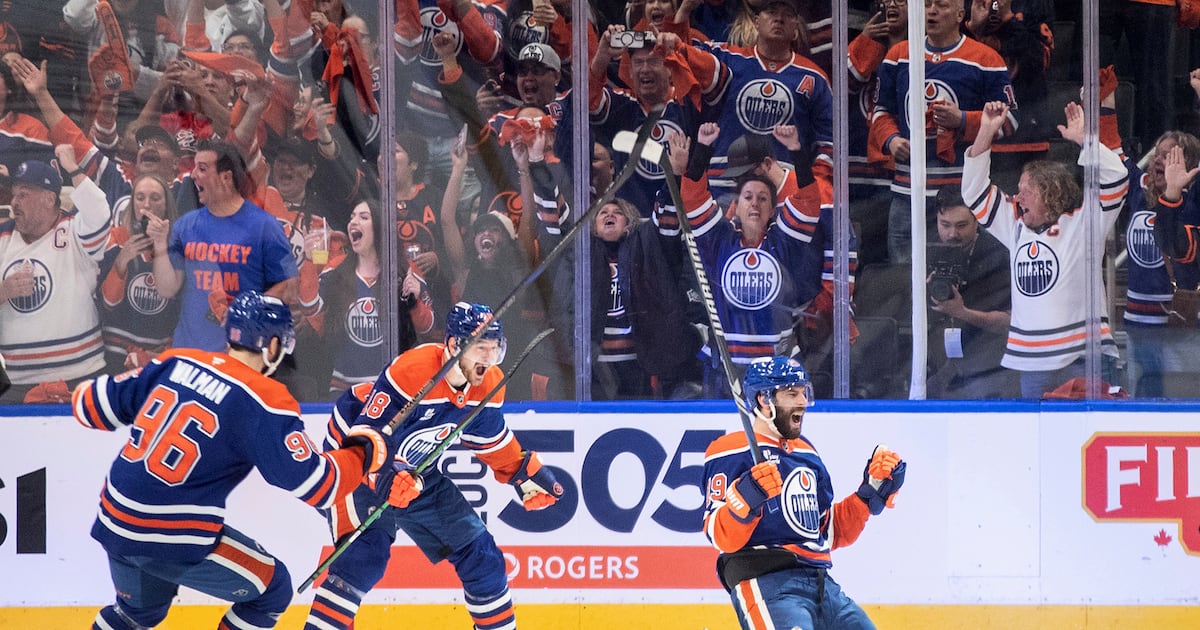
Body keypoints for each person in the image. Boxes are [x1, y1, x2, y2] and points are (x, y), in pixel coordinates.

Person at [70, 290, 391, 630]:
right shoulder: (264, 398)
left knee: (137, 613)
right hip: (174, 536)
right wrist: (364, 451)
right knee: (272, 591)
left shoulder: (177, 360)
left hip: (114, 518)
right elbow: (318, 486)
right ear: (270, 346)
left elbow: (89, 407)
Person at [306, 302, 565, 630]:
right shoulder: (412, 372)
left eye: (493, 348)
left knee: (483, 558)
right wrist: (387, 479)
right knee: (364, 558)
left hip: (416, 470)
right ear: (455, 345)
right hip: (356, 461)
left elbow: (492, 440)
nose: (488, 357)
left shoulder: (487, 383)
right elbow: (366, 438)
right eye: (480, 347)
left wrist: (523, 473)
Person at [701, 356, 905, 629]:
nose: (802, 402)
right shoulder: (731, 449)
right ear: (763, 399)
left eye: (803, 393)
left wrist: (868, 495)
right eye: (791, 393)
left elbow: (828, 532)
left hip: (822, 585)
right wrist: (745, 499)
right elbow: (718, 534)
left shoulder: (806, 453)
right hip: (768, 584)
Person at [963, 100, 1128, 398]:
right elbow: (974, 192)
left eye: (1026, 189)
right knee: (1041, 442)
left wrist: (1083, 140)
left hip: (1083, 358)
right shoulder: (1014, 226)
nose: (1017, 195)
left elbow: (1116, 178)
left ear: (1051, 193)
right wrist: (986, 131)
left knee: (1082, 439)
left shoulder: (1084, 225)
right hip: (1031, 363)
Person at [870, 0, 1015, 263]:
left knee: (959, 280)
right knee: (905, 282)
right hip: (907, 192)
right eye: (926, 5)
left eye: (942, 5)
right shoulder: (898, 55)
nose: (932, 11)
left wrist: (961, 120)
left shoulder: (986, 59)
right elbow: (880, 110)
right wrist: (890, 139)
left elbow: (1010, 121)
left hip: (961, 195)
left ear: (961, 14)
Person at [151, 139, 298, 352]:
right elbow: (167, 289)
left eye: (202, 168)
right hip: (190, 353)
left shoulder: (265, 227)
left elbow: (290, 285)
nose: (193, 175)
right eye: (194, 168)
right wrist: (159, 245)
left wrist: (248, 312)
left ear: (226, 177)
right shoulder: (185, 226)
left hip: (241, 354)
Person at [0, 151, 110, 403]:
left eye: (24, 195)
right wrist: (3, 291)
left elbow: (99, 211)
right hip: (16, 383)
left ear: (49, 199)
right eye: (14, 194)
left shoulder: (75, 231)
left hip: (80, 373)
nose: (14, 202)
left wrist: (72, 167)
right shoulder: (2, 237)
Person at [925, 185, 1016, 399]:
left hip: (989, 361)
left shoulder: (999, 255)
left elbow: (1008, 323)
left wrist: (962, 312)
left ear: (977, 222)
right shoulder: (924, 253)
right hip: (939, 361)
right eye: (945, 225)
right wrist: (921, 294)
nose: (952, 234)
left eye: (961, 225)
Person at [97, 173, 183, 373]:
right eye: (140, 197)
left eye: (155, 198)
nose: (147, 204)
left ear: (166, 204)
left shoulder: (177, 244)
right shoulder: (115, 238)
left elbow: (178, 306)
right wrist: (121, 261)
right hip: (116, 356)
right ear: (132, 203)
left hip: (159, 357)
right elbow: (108, 304)